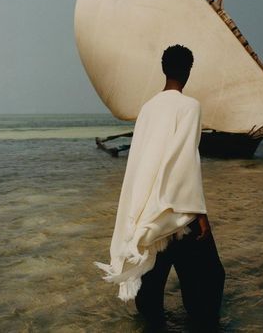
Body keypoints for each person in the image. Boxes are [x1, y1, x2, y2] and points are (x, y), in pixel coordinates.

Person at [94, 44, 225, 327]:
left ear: (164, 69)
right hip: (179, 213)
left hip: (149, 215)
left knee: (151, 289)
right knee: (209, 279)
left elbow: (139, 162)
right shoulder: (190, 106)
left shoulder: (148, 108)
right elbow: (185, 160)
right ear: (188, 71)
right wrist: (200, 214)